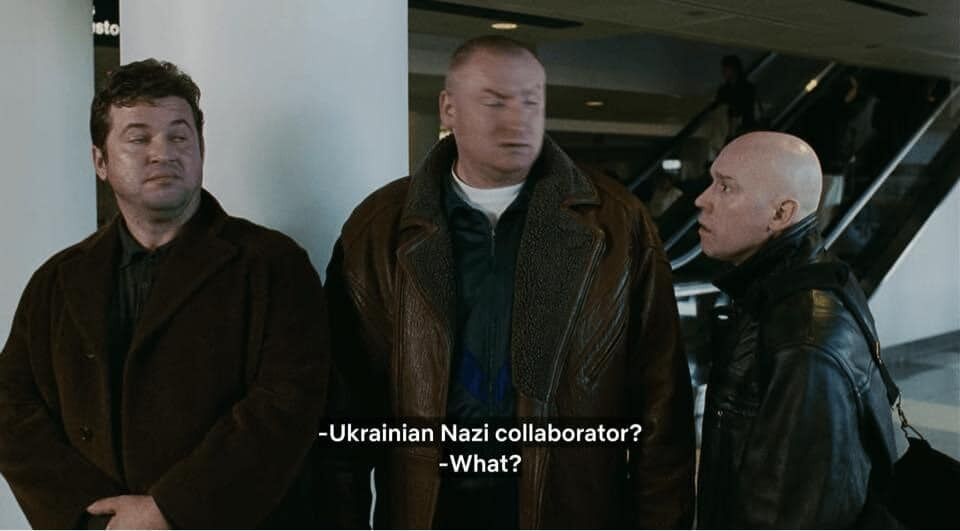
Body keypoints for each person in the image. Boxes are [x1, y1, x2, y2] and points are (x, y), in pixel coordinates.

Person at [323, 35, 695, 529]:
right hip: (431, 512)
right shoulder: (380, 228)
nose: (517, 119)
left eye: (531, 101)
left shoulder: (616, 225)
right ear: (449, 108)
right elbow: (341, 408)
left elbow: (662, 404)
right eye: (495, 101)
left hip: (573, 512)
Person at [0, 59, 329, 529]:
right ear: (100, 161)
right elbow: (12, 408)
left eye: (179, 137)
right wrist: (92, 516)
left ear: (201, 150)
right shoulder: (56, 281)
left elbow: (286, 405)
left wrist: (170, 509)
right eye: (139, 138)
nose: (164, 153)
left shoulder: (271, 264)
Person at [694, 131, 898, 527]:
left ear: (780, 214)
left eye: (725, 187)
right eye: (711, 181)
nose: (702, 199)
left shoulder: (803, 336)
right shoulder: (776, 294)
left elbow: (790, 511)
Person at [715, 55, 757, 142]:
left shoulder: (747, 89)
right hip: (727, 129)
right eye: (724, 68)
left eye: (726, 69)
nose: (723, 71)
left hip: (744, 129)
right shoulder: (723, 90)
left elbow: (747, 109)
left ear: (735, 69)